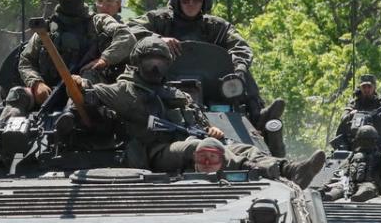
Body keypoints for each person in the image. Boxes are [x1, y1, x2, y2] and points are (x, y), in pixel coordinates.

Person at [73, 37, 325, 186]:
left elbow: (200, 124)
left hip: (193, 139)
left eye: (160, 61)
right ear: (138, 63)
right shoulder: (125, 91)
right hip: (156, 151)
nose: (154, 66)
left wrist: (210, 129)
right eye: (149, 60)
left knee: (244, 148)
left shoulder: (177, 94)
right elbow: (91, 94)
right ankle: (262, 172)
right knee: (201, 147)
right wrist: (81, 83)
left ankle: (289, 170)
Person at [128, 0, 287, 155]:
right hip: (160, 84)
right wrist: (157, 39)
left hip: (213, 89)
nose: (191, 4)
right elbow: (128, 31)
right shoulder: (160, 20)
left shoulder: (216, 27)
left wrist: (239, 70)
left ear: (205, 2)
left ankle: (258, 117)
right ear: (176, 1)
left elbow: (240, 47)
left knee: (242, 71)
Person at [17, 0, 135, 103]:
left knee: (81, 90)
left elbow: (126, 37)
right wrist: (36, 83)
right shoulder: (47, 29)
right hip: (49, 93)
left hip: (88, 92)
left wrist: (104, 59)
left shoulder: (98, 21)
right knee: (17, 95)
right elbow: (26, 61)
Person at [321, 125, 381, 201]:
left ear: (374, 141)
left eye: (367, 140)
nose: (365, 143)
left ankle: (358, 197)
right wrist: (330, 183)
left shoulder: (380, 156)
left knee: (366, 189)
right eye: (362, 140)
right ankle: (329, 196)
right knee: (337, 189)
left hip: (370, 184)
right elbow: (342, 171)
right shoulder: (353, 156)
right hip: (350, 184)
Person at [331, 75, 381, 151]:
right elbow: (343, 117)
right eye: (364, 87)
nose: (366, 89)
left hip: (377, 144)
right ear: (360, 87)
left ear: (374, 87)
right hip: (354, 143)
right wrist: (351, 115)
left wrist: (378, 120)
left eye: (369, 86)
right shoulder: (354, 104)